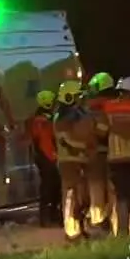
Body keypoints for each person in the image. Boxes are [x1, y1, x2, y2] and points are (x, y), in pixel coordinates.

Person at [92, 76, 130, 238]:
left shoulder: (108, 109)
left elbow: (101, 131)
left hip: (117, 159)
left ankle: (122, 234)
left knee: (121, 198)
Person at [51, 80, 95, 240]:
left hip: (81, 160)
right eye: (77, 96)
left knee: (83, 197)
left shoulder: (80, 115)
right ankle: (72, 231)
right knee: (71, 196)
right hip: (68, 161)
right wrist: (84, 146)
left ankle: (80, 227)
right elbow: (65, 139)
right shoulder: (61, 118)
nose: (79, 99)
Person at [84, 72, 118, 229]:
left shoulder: (89, 105)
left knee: (95, 187)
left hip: (95, 152)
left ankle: (98, 222)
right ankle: (115, 221)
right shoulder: (116, 104)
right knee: (113, 188)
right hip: (115, 151)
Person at [26, 89, 61, 227]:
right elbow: (46, 143)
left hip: (43, 158)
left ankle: (48, 216)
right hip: (47, 158)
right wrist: (53, 158)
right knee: (50, 188)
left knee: (49, 188)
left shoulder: (40, 118)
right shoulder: (43, 121)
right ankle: (48, 217)